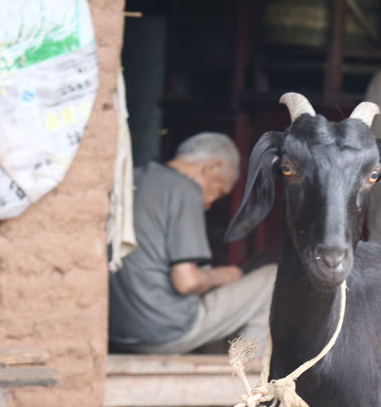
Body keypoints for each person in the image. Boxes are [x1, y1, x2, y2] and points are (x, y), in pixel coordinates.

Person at [109, 132, 276, 354]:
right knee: (271, 279)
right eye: (219, 192)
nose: (209, 205)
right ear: (211, 167)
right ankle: (247, 376)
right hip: (163, 331)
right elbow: (186, 283)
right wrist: (222, 275)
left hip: (117, 332)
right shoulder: (185, 189)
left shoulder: (131, 178)